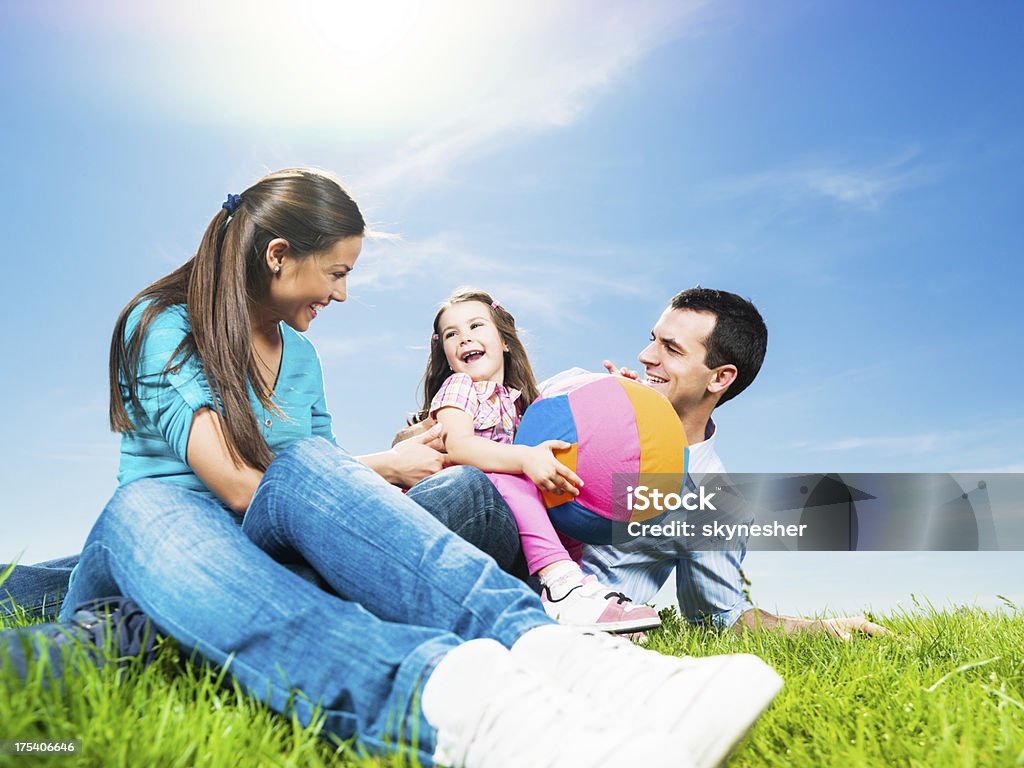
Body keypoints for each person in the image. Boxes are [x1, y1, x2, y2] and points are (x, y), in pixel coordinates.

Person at [6, 168, 782, 767]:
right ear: (279, 256)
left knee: (316, 463)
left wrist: (380, 472)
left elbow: (309, 479)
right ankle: (466, 710)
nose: (344, 294)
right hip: (151, 543)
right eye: (337, 274)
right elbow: (240, 486)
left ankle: (557, 657)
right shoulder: (163, 325)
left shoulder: (301, 357)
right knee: (157, 507)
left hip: (251, 551)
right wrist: (392, 464)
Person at [589, 288, 887, 639]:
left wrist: (824, 629)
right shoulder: (590, 403)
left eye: (671, 349)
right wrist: (596, 411)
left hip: (579, 624)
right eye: (652, 340)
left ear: (719, 378)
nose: (645, 356)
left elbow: (722, 617)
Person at [415, 287, 659, 633]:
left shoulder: (521, 405)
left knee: (561, 493)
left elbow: (574, 423)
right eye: (452, 334)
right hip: (472, 487)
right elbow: (459, 447)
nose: (464, 338)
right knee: (516, 479)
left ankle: (572, 592)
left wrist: (618, 396)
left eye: (475, 326)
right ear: (445, 353)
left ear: (505, 341)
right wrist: (525, 458)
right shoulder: (459, 387)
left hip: (508, 514)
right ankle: (561, 581)